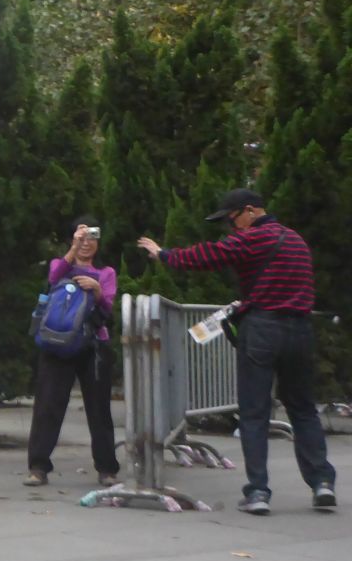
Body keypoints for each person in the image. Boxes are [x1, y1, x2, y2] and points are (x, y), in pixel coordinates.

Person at [139, 187, 334, 515]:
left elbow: (207, 256)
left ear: (250, 211)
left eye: (232, 220)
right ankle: (322, 483)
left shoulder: (252, 238)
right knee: (303, 409)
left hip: (262, 329)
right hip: (300, 331)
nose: (232, 228)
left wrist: (164, 255)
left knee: (254, 413)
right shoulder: (297, 241)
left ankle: (258, 492)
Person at [26, 218, 120, 488]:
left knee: (99, 408)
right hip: (57, 343)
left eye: (92, 237)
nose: (86, 243)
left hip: (93, 345)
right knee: (48, 405)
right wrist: (73, 249)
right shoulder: (61, 264)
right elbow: (53, 278)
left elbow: (108, 309)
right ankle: (38, 467)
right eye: (81, 237)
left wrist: (97, 291)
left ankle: (106, 468)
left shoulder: (106, 273)